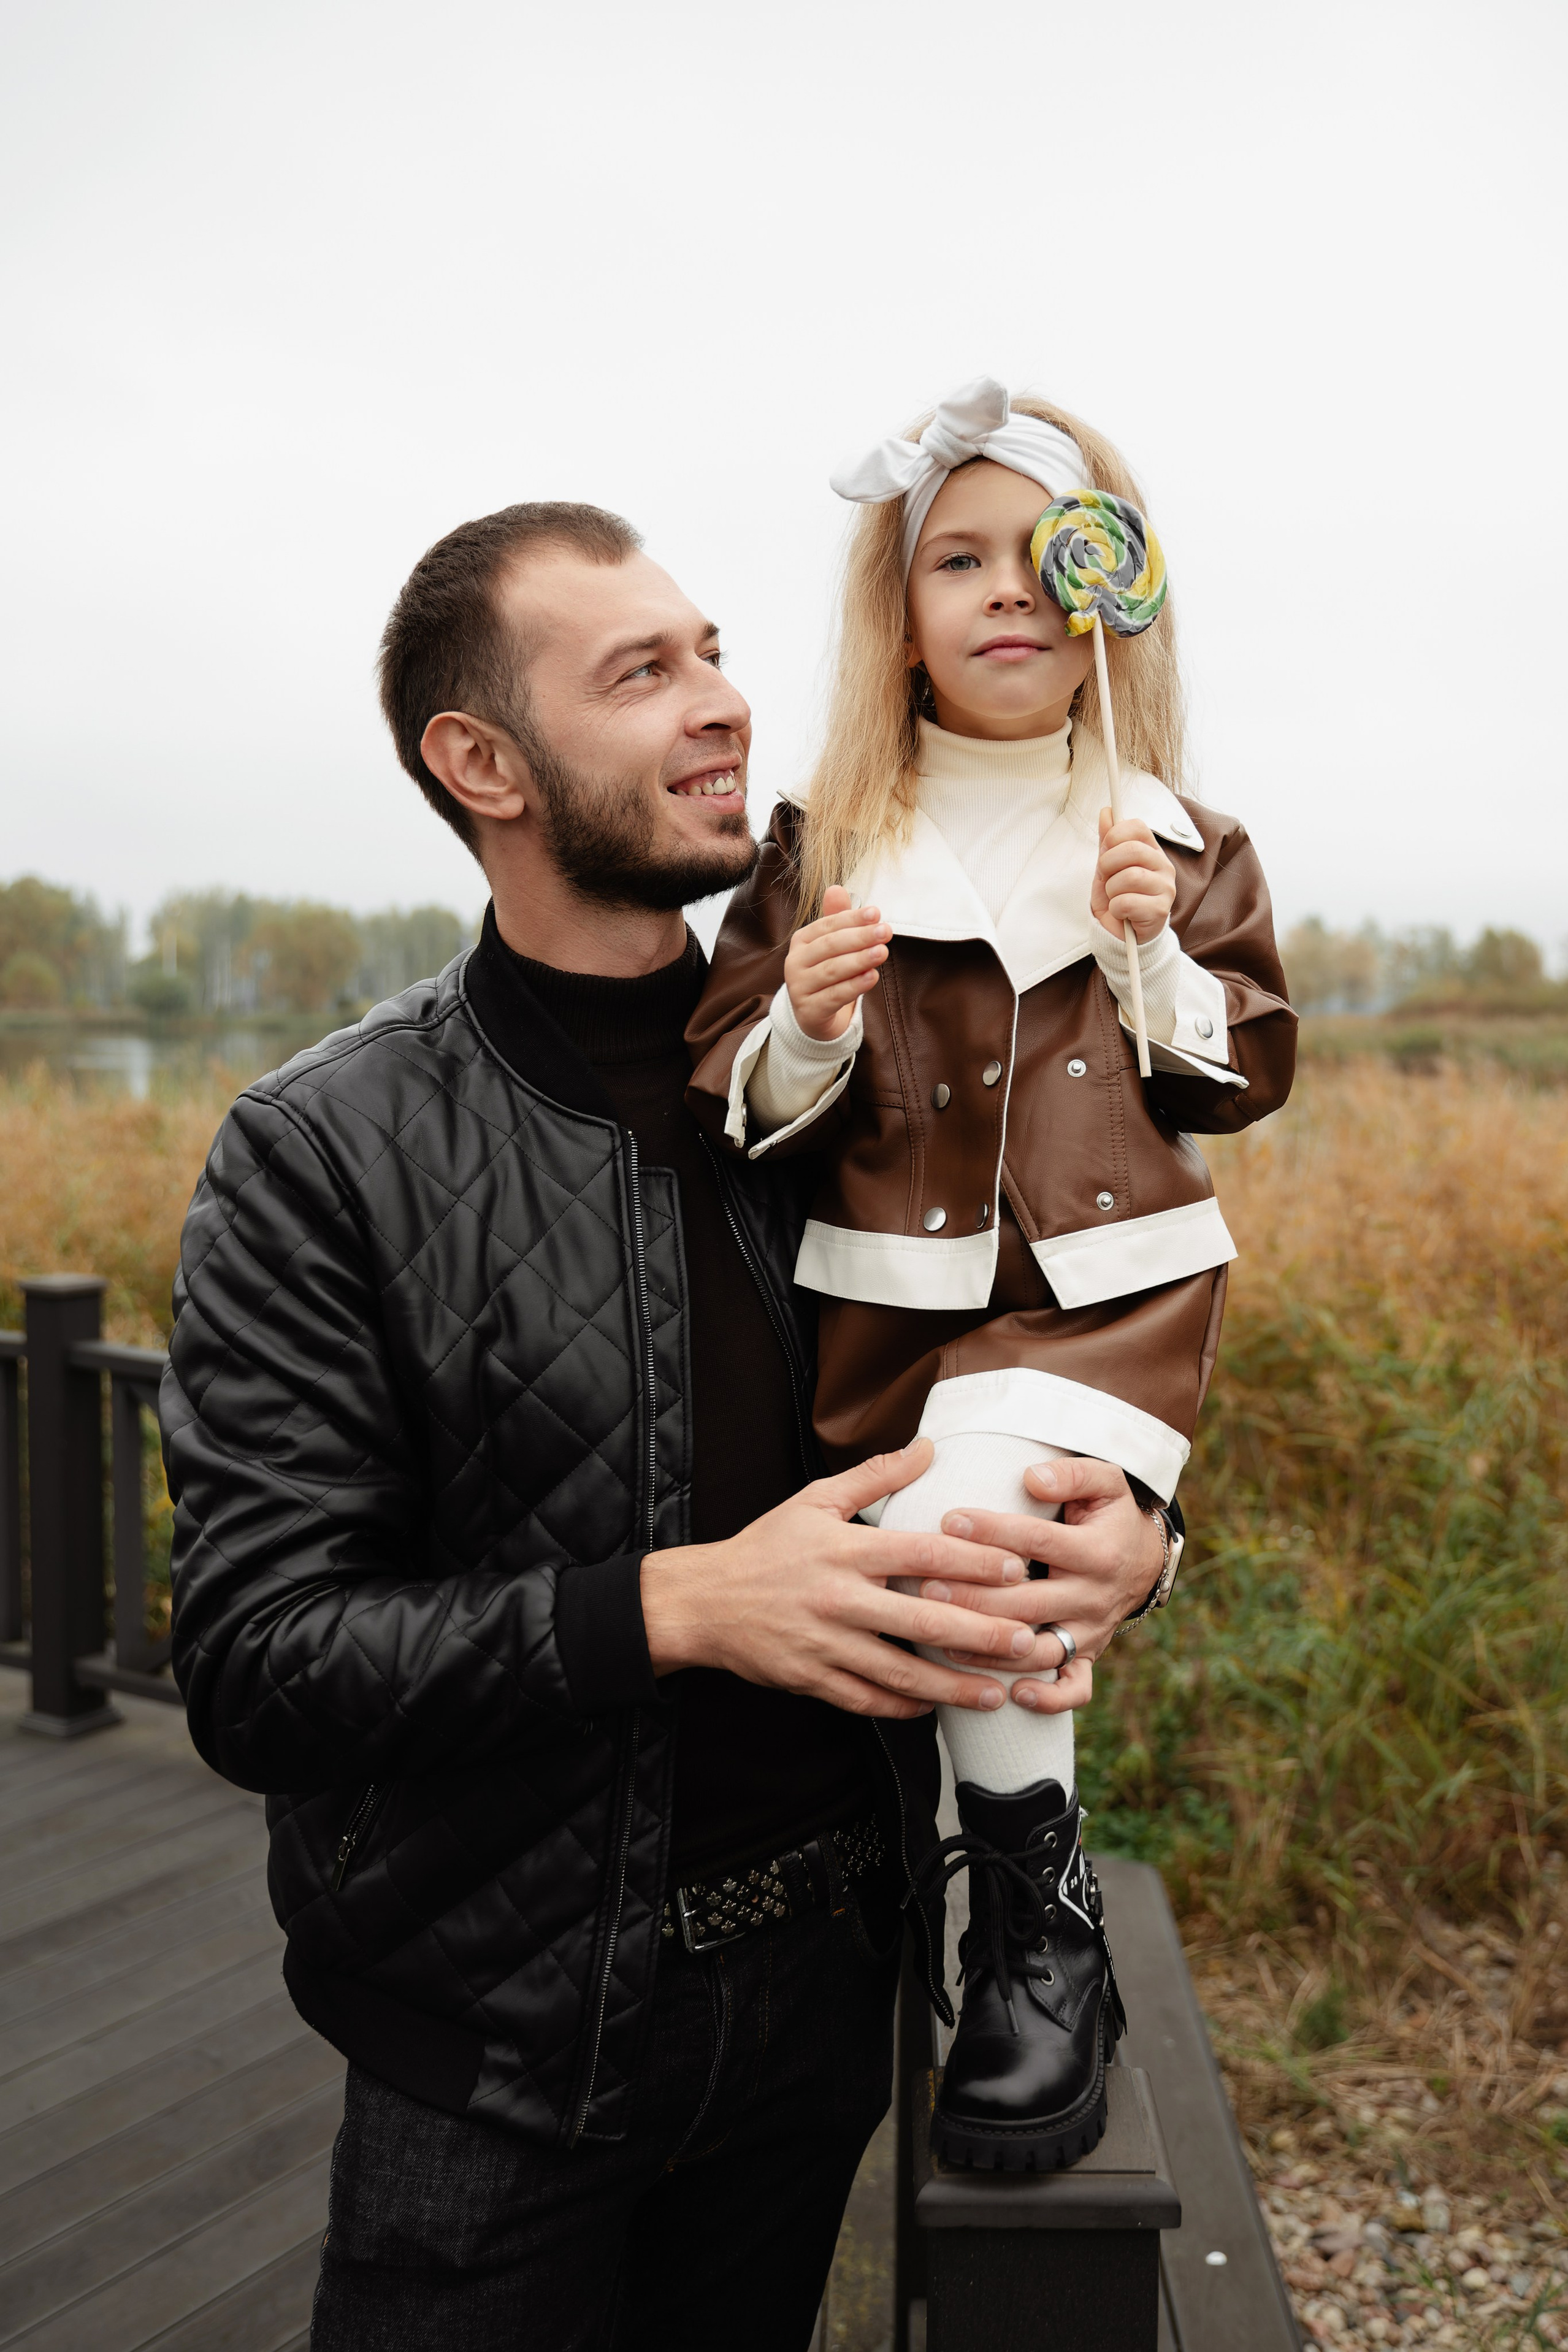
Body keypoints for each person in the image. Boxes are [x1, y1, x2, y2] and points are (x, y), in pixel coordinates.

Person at [161, 497, 1165, 2350]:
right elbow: (257, 1660)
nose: (722, 703)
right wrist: (684, 1606)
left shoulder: (865, 1083)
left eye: (713, 652)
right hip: (495, 2056)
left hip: (826, 2004)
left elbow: (1054, 1355)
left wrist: (1137, 1542)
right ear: (483, 765)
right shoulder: (324, 1150)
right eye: (642, 674)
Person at [686, 380, 1298, 2172]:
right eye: (957, 559)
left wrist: (1150, 957)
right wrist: (809, 1025)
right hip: (894, 1309)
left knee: (978, 1516)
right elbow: (725, 1087)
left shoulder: (1177, 838)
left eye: (1047, 554)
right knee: (951, 1540)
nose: (1010, 588)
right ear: (899, 614)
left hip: (1112, 1299)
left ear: (1116, 591)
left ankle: (1026, 1926)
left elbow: (1247, 1073)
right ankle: (1041, 1919)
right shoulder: (824, 842)